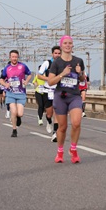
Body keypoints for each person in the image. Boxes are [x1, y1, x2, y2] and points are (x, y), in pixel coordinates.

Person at [48, 35, 86, 163]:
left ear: (72, 45)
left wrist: (80, 73)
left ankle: (73, 149)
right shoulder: (56, 63)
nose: (68, 45)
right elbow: (50, 82)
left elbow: (82, 79)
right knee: (62, 127)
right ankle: (60, 152)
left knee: (76, 123)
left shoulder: (79, 61)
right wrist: (62, 74)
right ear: (61, 46)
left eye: (70, 43)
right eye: (65, 43)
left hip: (74, 96)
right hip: (61, 97)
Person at [0, 50, 32, 138]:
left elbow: (29, 74)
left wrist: (26, 81)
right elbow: (1, 79)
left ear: (18, 57)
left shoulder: (23, 66)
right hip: (10, 92)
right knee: (13, 111)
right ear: (10, 57)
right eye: (13, 57)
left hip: (21, 92)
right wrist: (5, 84)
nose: (14, 58)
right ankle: (14, 130)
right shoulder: (7, 68)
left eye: (16, 57)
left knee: (20, 113)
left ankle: (18, 117)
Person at [35, 45, 61, 140]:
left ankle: (55, 133)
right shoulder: (47, 63)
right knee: (49, 114)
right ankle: (49, 121)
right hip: (48, 91)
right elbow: (39, 75)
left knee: (57, 112)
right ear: (52, 54)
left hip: (58, 91)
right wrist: (50, 79)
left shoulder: (63, 64)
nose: (57, 55)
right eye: (55, 53)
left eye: (59, 53)